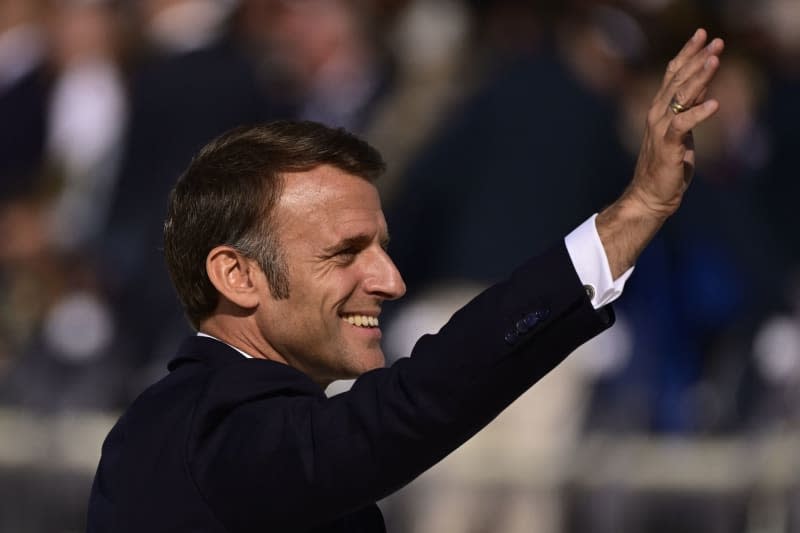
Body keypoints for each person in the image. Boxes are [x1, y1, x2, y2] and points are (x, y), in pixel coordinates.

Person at [87, 29, 724, 533]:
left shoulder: (232, 428)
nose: (390, 280)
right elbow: (414, 403)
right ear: (237, 275)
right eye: (346, 253)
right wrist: (634, 213)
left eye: (384, 249)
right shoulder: (208, 427)